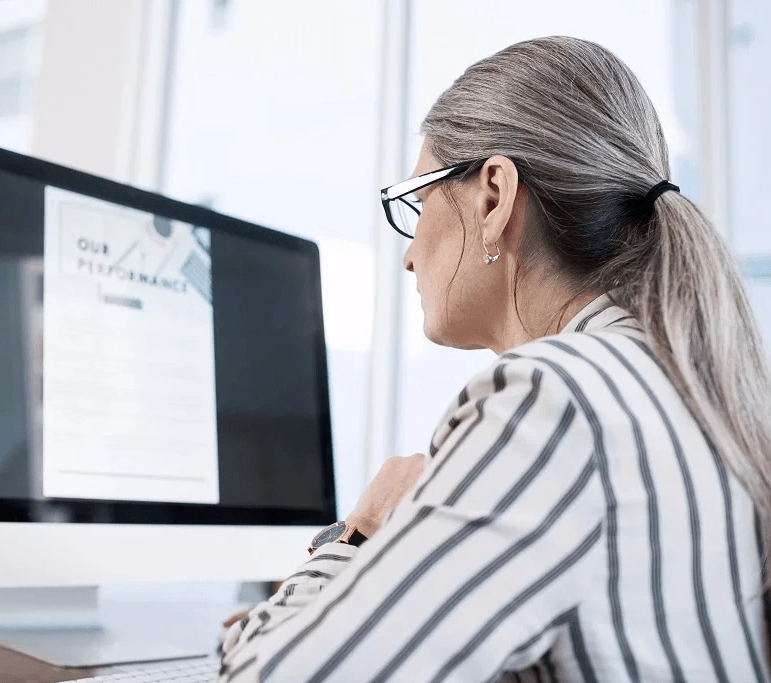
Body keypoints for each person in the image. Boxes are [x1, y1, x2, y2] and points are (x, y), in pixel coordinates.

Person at [218, 36, 771, 682]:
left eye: (417, 202)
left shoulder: (553, 402)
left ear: (492, 196)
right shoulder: (686, 384)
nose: (407, 254)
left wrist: (360, 532)